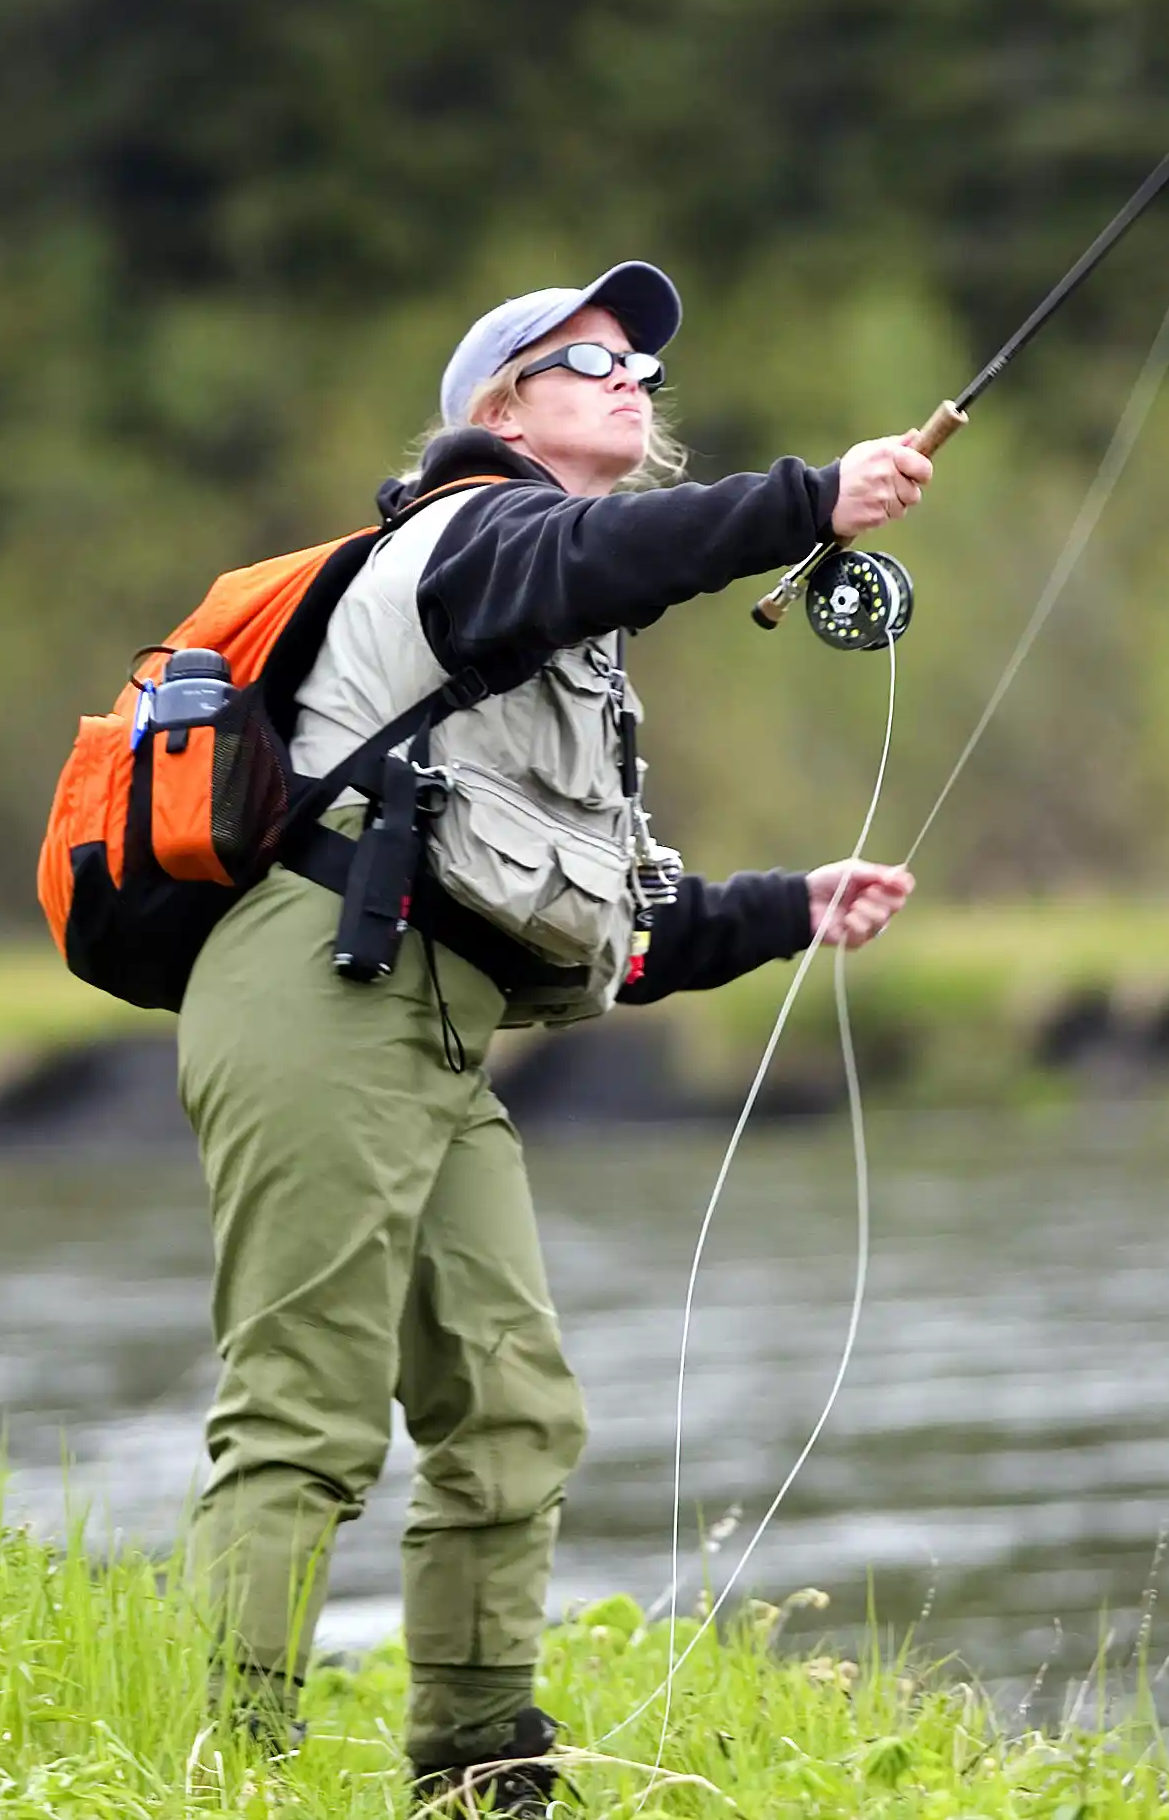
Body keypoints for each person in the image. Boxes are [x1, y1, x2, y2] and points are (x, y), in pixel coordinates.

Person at [174, 259, 928, 1809]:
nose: (631, 380)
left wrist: (794, 908)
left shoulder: (559, 649)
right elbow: (599, 557)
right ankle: (207, 1771)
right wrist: (808, 501)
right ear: (500, 406)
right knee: (305, 1413)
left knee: (515, 1415)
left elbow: (616, 930)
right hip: (317, 990)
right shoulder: (468, 541)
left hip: (430, 1030)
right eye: (591, 360)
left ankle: (480, 1778)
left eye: (643, 366)